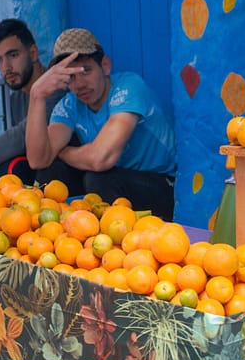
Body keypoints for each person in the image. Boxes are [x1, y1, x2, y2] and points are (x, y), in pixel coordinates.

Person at [26, 28, 176, 219]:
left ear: (105, 66)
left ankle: (114, 243)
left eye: (86, 71)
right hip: (117, 183)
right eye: (71, 76)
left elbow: (100, 159)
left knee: (99, 179)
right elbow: (38, 159)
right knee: (52, 172)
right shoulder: (70, 104)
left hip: (160, 184)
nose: (79, 84)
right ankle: (59, 236)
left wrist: (62, 151)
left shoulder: (129, 87)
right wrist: (36, 95)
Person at [0, 18, 67, 183]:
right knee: (8, 165)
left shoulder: (56, 90)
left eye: (13, 55)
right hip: (36, 183)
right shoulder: (15, 99)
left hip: (67, 180)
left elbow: (18, 137)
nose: (6, 67)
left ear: (33, 53)